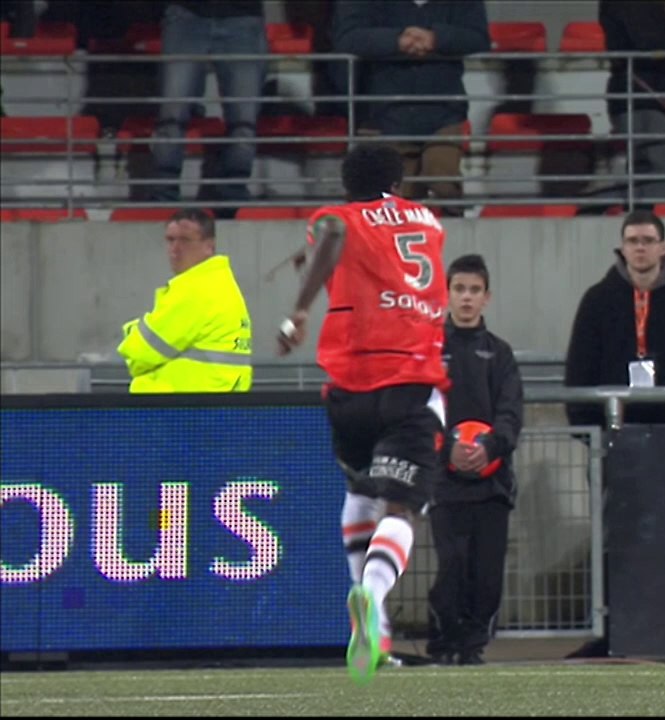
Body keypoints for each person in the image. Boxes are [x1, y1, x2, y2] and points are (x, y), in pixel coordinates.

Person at [275, 143, 449, 686]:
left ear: (345, 183)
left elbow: (336, 235)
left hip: (349, 385)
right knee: (401, 507)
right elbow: (375, 247)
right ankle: (372, 598)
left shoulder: (335, 217)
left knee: (359, 491)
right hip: (411, 380)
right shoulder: (428, 219)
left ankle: (372, 626)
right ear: (397, 181)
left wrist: (300, 308)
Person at [425, 254, 524, 667]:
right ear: (447, 295)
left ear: (487, 297)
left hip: (492, 484)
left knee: (486, 574)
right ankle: (444, 639)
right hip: (444, 483)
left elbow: (511, 410)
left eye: (474, 290)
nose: (466, 298)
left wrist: (491, 447)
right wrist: (446, 448)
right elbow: (420, 407)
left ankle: (473, 643)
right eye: (459, 289)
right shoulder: (429, 350)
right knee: (452, 565)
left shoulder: (500, 354)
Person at [332, 0, 490, 217]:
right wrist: (397, 40)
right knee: (395, 199)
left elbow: (478, 38)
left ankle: (456, 232)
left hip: (444, 112)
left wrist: (436, 39)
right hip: (385, 114)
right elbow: (348, 38)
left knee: (443, 179)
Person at [564, 208, 665, 427]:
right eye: (632, 241)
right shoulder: (597, 300)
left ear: (663, 247)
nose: (640, 248)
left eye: (648, 241)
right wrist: (587, 428)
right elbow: (579, 367)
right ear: (623, 248)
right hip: (612, 429)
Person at [148, 1, 268, 216]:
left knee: (244, 121)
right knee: (172, 116)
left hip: (244, 18)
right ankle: (163, 197)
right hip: (186, 14)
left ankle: (233, 197)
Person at [116, 208, 252, 393]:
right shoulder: (218, 284)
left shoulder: (198, 290)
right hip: (208, 408)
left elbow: (138, 355)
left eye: (185, 240)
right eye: (170, 240)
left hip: (183, 413)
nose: (175, 248)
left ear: (209, 246)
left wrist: (134, 330)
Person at [598, 0, 665, 205]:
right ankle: (600, 202)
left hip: (649, 97)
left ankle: (621, 212)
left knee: (649, 176)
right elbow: (648, 40)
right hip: (642, 99)